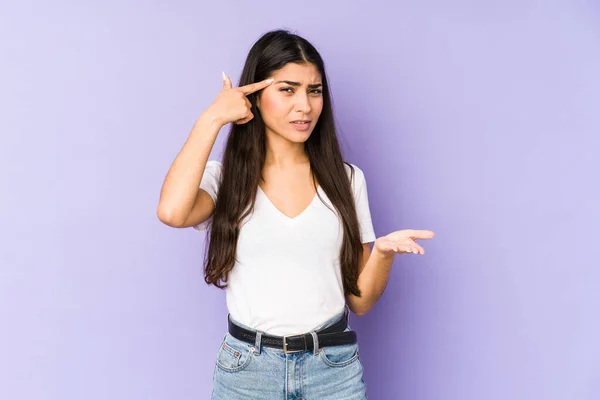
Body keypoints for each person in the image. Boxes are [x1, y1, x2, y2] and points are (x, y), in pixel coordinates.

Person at [157, 29, 434, 400]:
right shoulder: (225, 180)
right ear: (254, 95)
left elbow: (361, 301)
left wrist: (382, 252)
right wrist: (212, 118)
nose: (304, 105)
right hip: (248, 373)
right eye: (287, 89)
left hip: (333, 369)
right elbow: (173, 212)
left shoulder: (347, 180)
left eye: (314, 90)